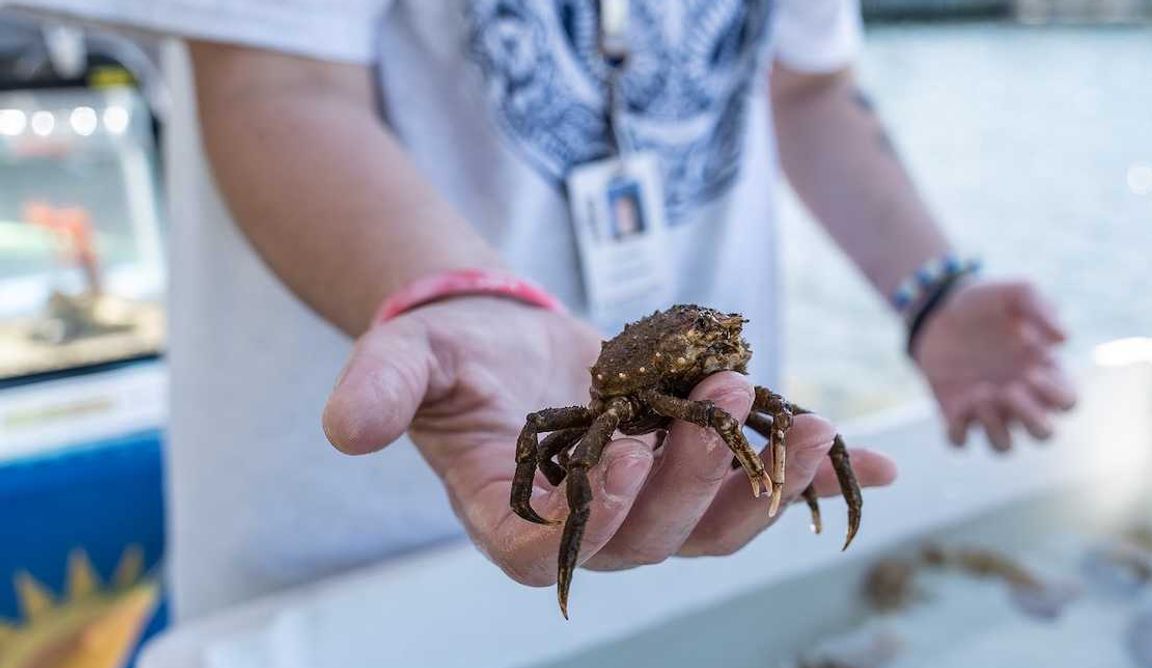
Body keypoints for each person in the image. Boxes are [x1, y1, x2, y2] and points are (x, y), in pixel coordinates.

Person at [14, 0, 1075, 621]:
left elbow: (807, 84)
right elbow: (273, 81)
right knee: (590, 444)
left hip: (699, 527)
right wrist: (464, 296)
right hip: (351, 529)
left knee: (759, 425)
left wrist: (931, 290)